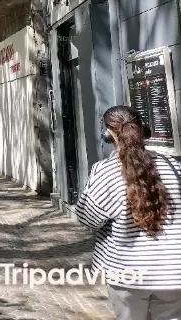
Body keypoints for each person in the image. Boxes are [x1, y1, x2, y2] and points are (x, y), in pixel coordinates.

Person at [74, 106, 181, 320]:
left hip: (127, 273)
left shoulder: (104, 171)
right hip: (175, 272)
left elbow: (87, 217)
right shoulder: (174, 166)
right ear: (144, 130)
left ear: (108, 134)